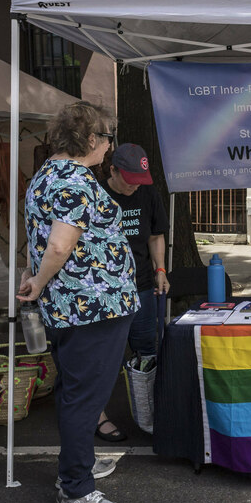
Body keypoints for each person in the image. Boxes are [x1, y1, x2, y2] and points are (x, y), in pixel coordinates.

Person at [18, 101, 139, 503]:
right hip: (92, 307)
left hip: (78, 307)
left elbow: (40, 238)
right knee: (84, 398)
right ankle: (75, 488)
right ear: (90, 139)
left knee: (77, 392)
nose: (109, 148)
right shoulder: (74, 181)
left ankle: (76, 467)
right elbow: (58, 245)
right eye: (107, 138)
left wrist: (36, 279)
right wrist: (40, 279)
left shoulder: (45, 176)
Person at [95, 143, 171, 443]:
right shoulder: (96, 194)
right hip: (105, 291)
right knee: (103, 358)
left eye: (140, 179)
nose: (134, 186)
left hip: (141, 287)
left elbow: (155, 235)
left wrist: (161, 270)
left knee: (147, 351)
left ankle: (150, 411)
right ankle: (97, 415)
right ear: (112, 170)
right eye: (129, 179)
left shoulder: (148, 194)